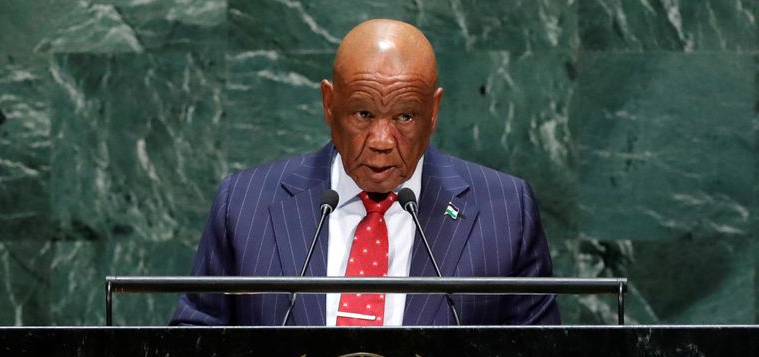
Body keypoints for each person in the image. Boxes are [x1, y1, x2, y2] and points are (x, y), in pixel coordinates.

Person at [171, 19, 560, 326]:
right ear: (328, 103)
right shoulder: (244, 206)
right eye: (364, 114)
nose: (381, 140)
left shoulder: (506, 213)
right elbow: (193, 355)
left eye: (405, 116)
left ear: (434, 111)